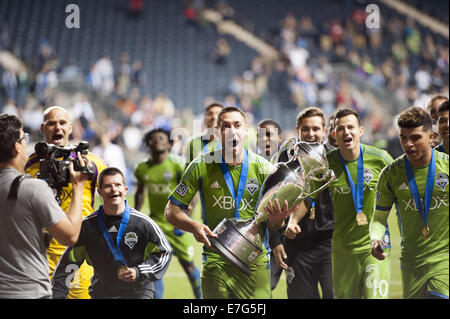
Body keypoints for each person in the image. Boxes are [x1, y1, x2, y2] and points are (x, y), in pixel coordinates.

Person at [165, 106, 296, 299]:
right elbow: (171, 210)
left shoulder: (265, 169)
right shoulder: (201, 165)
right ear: (217, 131)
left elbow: (274, 224)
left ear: (246, 130)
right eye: (226, 126)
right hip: (216, 259)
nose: (232, 130)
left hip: (255, 261)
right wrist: (194, 226)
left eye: (237, 125)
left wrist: (278, 222)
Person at [286, 107, 393, 299]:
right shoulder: (326, 164)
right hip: (342, 250)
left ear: (361, 130)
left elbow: (401, 192)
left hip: (374, 245)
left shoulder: (381, 159)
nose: (346, 132)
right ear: (334, 134)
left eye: (351, 127)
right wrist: (293, 221)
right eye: (341, 128)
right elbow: (308, 197)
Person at [0, 114, 88, 299]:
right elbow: (70, 235)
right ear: (17, 147)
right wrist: (78, 187)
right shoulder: (31, 188)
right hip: (29, 290)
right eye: (25, 139)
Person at [25, 106, 107, 299]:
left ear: (70, 128)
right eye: (51, 123)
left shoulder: (92, 164)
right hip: (39, 259)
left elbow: (116, 200)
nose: (57, 128)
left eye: (62, 123)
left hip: (79, 259)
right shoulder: (28, 164)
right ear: (43, 128)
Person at [52, 167, 173, 299]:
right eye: (108, 186)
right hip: (102, 292)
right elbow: (69, 263)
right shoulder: (87, 226)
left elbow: (165, 251)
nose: (114, 189)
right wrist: (58, 294)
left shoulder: (142, 223)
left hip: (138, 291)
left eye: (118, 185)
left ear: (125, 190)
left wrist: (139, 271)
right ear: (100, 192)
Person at [370, 106, 449, 299]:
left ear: (431, 137)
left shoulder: (446, 167)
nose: (408, 144)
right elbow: (379, 218)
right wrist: (375, 238)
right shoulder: (390, 175)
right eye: (403, 137)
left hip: (444, 258)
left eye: (415, 137)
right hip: (411, 262)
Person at [273, 107, 334, 299]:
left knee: (334, 294)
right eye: (305, 129)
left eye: (316, 129)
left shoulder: (333, 158)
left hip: (329, 243)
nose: (311, 134)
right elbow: (272, 201)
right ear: (297, 130)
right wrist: (275, 240)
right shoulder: (285, 159)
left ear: (324, 131)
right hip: (295, 244)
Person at [134, 128, 202, 299]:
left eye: (161, 138)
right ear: (148, 144)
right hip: (156, 225)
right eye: (153, 138)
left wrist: (186, 219)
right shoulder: (142, 168)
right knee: (155, 266)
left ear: (169, 143)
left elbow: (193, 191)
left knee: (188, 266)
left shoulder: (178, 164)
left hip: (177, 225)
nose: (157, 140)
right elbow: (140, 192)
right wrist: (135, 215)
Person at [256, 119, 284, 290]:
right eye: (261, 136)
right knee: (266, 285)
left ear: (280, 138)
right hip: (262, 235)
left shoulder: (290, 164)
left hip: (289, 235)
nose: (265, 140)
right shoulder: (251, 164)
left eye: (270, 135)